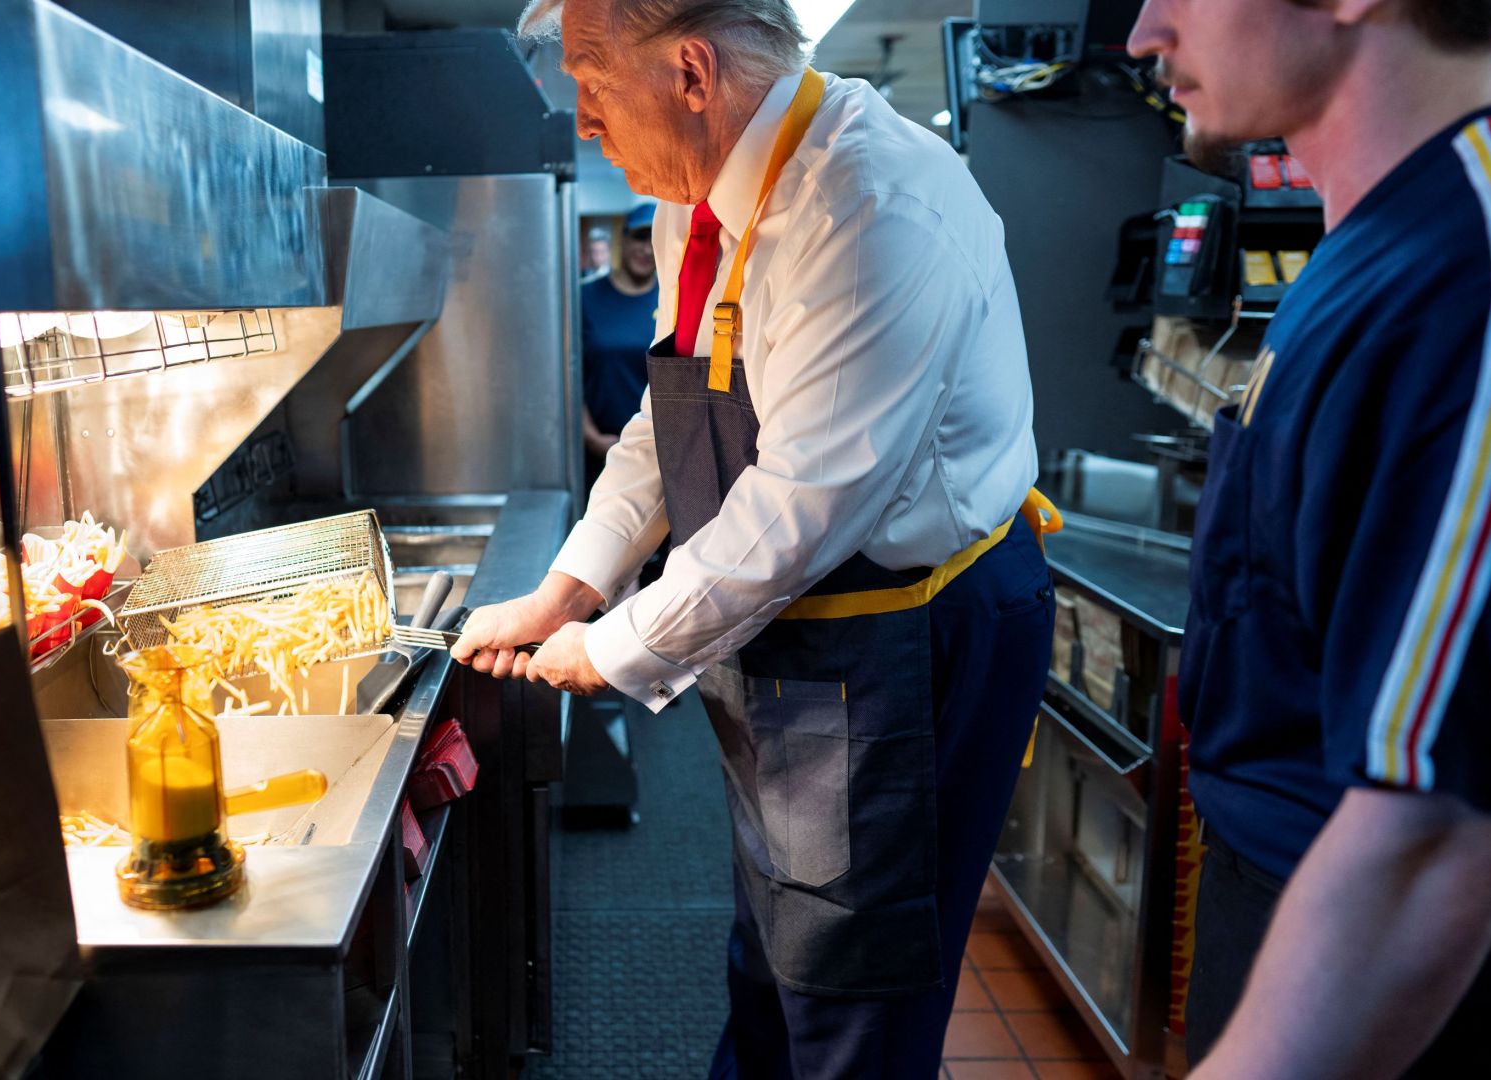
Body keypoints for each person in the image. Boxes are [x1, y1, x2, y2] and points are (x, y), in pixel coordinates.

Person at [452, 0, 1057, 1074]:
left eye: (592, 81)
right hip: (787, 631)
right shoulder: (694, 201)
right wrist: (573, 587)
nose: (582, 120)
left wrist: (617, 646)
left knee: (852, 981)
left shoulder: (872, 205)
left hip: (898, 637)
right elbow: (666, 416)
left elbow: (806, 503)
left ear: (691, 71)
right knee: (776, 947)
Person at [1127, 0, 1491, 1075]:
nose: (1141, 32)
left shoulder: (1489, 267)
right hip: (1288, 907)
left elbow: (1448, 829)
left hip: (1402, 986)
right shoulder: (1373, 242)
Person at [581, 203, 660, 483]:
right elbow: (567, 373)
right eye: (639, 237)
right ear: (622, 239)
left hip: (658, 449)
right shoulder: (586, 297)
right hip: (601, 446)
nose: (647, 250)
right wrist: (591, 436)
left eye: (654, 240)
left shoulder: (673, 299)